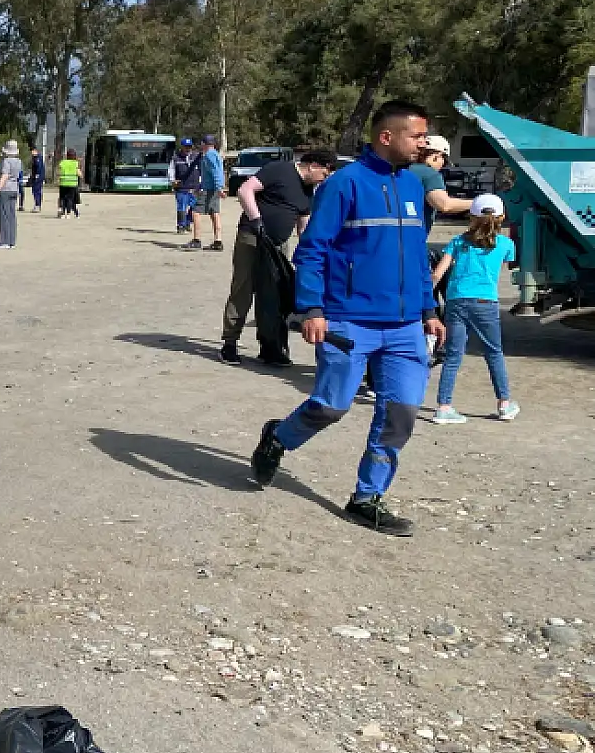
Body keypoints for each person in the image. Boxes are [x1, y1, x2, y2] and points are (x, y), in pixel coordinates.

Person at [250, 101, 445, 536]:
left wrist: (429, 309)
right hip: (348, 321)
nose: (424, 143)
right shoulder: (344, 185)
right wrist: (311, 309)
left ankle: (367, 498)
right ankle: (279, 437)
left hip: (404, 326)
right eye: (417, 136)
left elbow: (415, 256)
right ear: (386, 136)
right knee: (333, 406)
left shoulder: (413, 186)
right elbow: (313, 249)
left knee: (400, 412)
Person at [220, 149, 337, 366]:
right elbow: (246, 190)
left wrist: (308, 251)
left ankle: (271, 347)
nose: (325, 178)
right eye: (325, 173)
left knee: (274, 296)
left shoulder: (308, 191)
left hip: (279, 245)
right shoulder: (279, 169)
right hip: (252, 238)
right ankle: (229, 343)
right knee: (243, 289)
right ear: (312, 166)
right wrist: (256, 220)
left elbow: (304, 224)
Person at [429, 194, 519, 425]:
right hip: (485, 302)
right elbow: (505, 264)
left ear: (471, 216)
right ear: (502, 217)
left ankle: (443, 406)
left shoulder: (458, 242)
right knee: (493, 352)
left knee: (453, 355)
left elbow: (438, 273)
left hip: (456, 300)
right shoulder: (506, 244)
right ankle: (505, 403)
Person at [409, 135, 472, 222]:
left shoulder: (404, 169)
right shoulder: (430, 174)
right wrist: (477, 202)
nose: (443, 165)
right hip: (413, 230)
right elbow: (444, 205)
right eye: (445, 161)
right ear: (437, 156)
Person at [186, 135, 224, 250]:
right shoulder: (216, 154)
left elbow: (215, 172)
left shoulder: (208, 156)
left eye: (202, 144)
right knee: (214, 213)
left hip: (210, 189)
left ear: (204, 144)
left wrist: (219, 188)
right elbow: (214, 173)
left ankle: (197, 240)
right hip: (212, 188)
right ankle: (218, 241)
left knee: (195, 212)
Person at [0, 140, 23, 249]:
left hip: (5, 189)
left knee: (4, 215)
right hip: (14, 189)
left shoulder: (6, 161)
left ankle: (4, 241)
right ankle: (11, 241)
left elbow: (4, 176)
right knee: (11, 216)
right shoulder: (18, 161)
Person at [171, 138, 200, 232]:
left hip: (195, 187)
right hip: (181, 187)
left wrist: (201, 182)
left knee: (194, 206)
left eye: (190, 147)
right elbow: (171, 170)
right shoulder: (176, 158)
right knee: (181, 206)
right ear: (182, 147)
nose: (188, 149)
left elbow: (202, 170)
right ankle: (181, 225)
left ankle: (188, 222)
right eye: (186, 147)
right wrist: (172, 180)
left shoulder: (196, 157)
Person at [56, 148, 82, 217]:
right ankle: (68, 213)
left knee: (62, 198)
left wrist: (59, 179)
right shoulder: (76, 163)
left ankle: (61, 211)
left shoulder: (62, 162)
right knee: (70, 199)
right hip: (72, 184)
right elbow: (79, 174)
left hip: (63, 183)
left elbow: (58, 172)